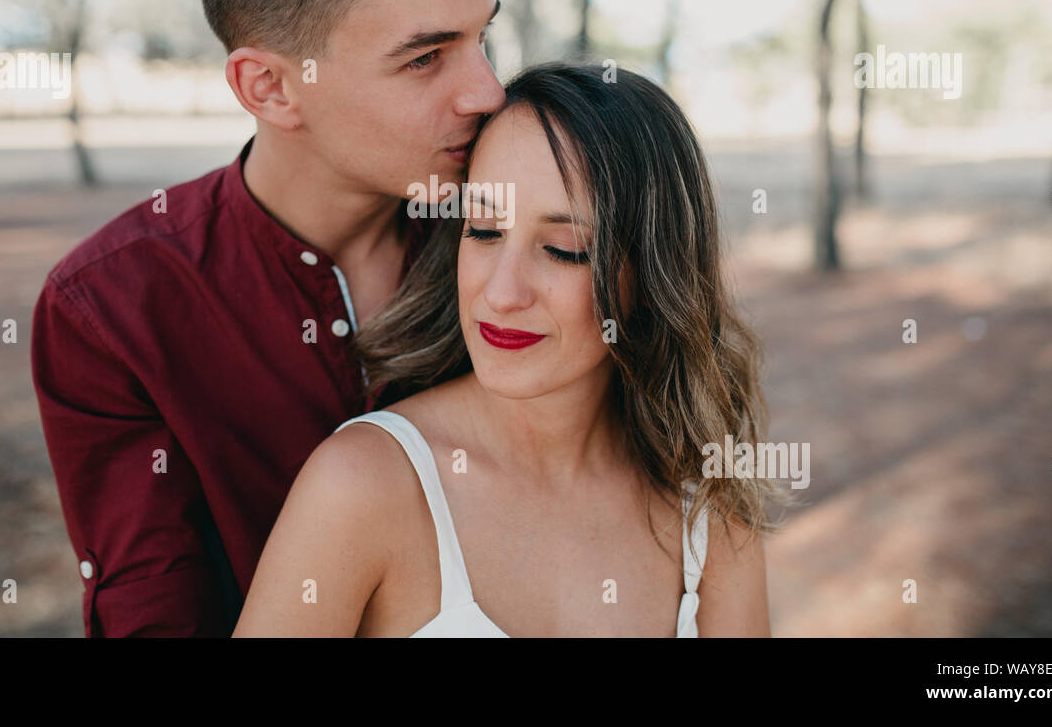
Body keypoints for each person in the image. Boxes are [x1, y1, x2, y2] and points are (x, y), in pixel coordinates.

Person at [30, 0, 505, 636]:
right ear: (271, 87)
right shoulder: (112, 310)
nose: (488, 92)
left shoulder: (525, 238)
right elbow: (154, 616)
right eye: (427, 58)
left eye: (483, 37)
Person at [235, 63, 785, 637]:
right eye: (485, 231)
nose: (501, 293)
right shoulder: (363, 484)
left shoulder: (708, 508)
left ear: (651, 275)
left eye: (563, 249)